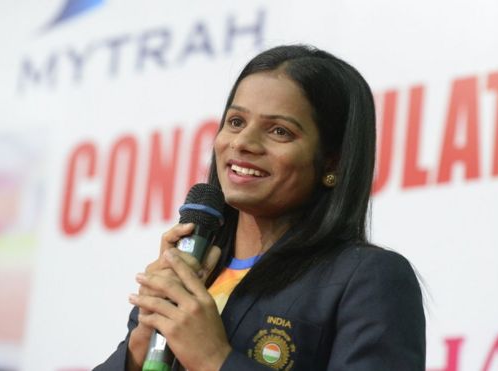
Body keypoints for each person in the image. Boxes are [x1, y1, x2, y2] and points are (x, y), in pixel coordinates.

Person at [96, 44, 425, 370]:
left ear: (333, 162)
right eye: (236, 122)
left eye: (279, 131)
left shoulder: (367, 279)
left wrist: (215, 361)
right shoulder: (189, 274)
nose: (242, 143)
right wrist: (139, 347)